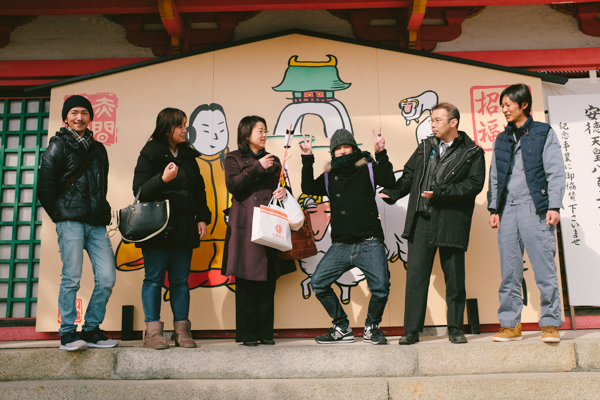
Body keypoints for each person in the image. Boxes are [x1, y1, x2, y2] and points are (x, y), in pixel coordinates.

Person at [380, 103, 485, 345]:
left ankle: (455, 329)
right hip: (422, 219)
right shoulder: (425, 146)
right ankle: (411, 331)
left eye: (438, 120)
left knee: (455, 279)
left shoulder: (472, 152)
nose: (433, 124)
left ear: (453, 122)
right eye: (432, 121)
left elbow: (473, 186)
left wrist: (440, 192)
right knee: (416, 277)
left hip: (451, 221)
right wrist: (394, 193)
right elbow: (409, 176)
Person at [300, 128, 395, 345]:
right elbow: (307, 187)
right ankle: (341, 327)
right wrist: (307, 159)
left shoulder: (369, 169)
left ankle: (372, 327)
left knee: (380, 287)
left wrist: (381, 152)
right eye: (338, 149)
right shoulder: (330, 176)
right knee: (319, 282)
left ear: (354, 148)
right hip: (342, 244)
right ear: (333, 153)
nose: (342, 151)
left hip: (370, 242)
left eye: (346, 147)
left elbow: (389, 179)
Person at [37, 95, 118, 351]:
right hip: (70, 222)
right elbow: (45, 189)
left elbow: (101, 186)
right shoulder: (57, 147)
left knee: (106, 277)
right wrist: (61, 215)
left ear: (90, 117)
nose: (79, 117)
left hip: (96, 223)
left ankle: (92, 329)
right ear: (66, 118)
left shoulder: (99, 148)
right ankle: (68, 333)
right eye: (74, 112)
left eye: (84, 112)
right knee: (71, 278)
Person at [487, 84, 566, 343]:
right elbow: (495, 176)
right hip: (508, 209)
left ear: (523, 105)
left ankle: (550, 323)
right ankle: (510, 324)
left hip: (537, 208)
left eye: (508, 104)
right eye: (502, 106)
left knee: (544, 268)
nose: (504, 110)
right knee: (509, 270)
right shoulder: (501, 138)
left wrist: (554, 205)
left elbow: (555, 170)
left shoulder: (543, 132)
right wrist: (494, 208)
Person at [132, 107, 211, 349]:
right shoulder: (150, 153)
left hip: (184, 225)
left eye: (185, 124)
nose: (185, 129)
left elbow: (199, 189)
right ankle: (154, 332)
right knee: (154, 279)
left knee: (180, 280)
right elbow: (140, 191)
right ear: (168, 128)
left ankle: (181, 331)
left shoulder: (187, 154)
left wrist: (202, 217)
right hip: (157, 228)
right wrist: (162, 180)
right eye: (180, 125)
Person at [222, 115, 295, 346]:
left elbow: (284, 187)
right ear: (246, 134)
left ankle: (266, 333)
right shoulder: (233, 157)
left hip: (269, 225)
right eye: (260, 131)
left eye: (265, 131)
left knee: (267, 279)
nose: (264, 135)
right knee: (245, 280)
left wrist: (284, 193)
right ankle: (247, 335)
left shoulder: (273, 160)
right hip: (245, 226)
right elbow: (233, 185)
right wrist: (256, 167)